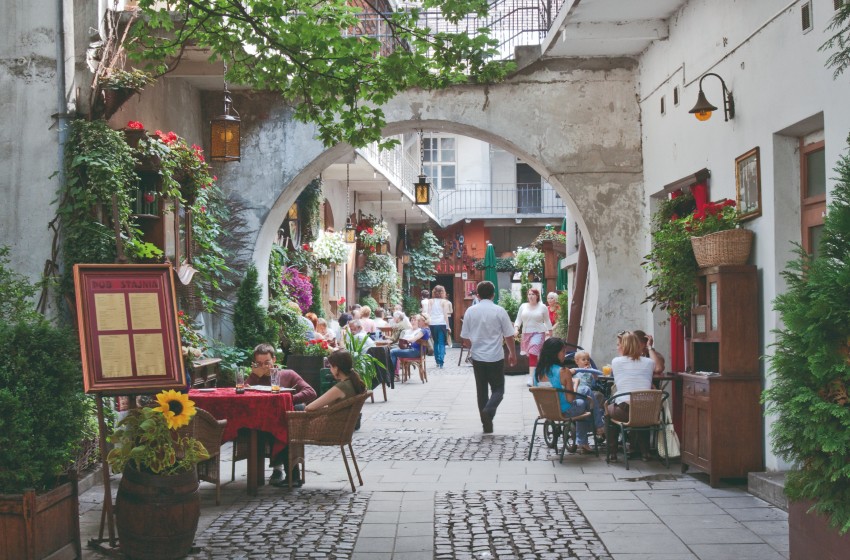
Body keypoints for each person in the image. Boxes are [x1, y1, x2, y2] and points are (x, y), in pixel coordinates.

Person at [248, 343, 317, 487]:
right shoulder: (255, 377)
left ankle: (285, 472)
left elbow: (310, 392)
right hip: (262, 420)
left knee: (282, 423)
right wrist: (255, 376)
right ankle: (275, 471)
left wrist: (287, 398)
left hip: (284, 420)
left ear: (274, 359)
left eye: (267, 362)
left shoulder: (288, 374)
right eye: (259, 363)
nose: (264, 366)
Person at [460, 281, 517, 434]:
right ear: (494, 294)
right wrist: (512, 353)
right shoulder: (499, 311)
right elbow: (509, 335)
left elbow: (465, 338)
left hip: (478, 357)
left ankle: (486, 424)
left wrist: (472, 347)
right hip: (496, 356)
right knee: (498, 389)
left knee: (481, 390)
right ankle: (489, 411)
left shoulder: (471, 311)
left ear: (477, 295)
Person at [532, 338, 594, 453]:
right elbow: (570, 399)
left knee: (584, 393)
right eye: (563, 352)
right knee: (584, 402)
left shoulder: (537, 371)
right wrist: (575, 383)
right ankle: (586, 438)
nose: (565, 355)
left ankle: (583, 438)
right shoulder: (563, 371)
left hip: (546, 410)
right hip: (564, 411)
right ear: (555, 353)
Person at [607, 331, 655, 462]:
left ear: (624, 346)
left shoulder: (616, 362)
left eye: (619, 345)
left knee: (608, 412)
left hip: (624, 411)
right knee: (640, 412)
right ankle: (645, 453)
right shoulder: (650, 363)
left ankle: (612, 453)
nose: (617, 347)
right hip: (648, 412)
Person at [514, 288, 553, 378]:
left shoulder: (542, 307)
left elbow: (547, 321)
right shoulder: (523, 306)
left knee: (533, 353)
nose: (530, 296)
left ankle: (532, 378)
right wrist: (516, 329)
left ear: (537, 296)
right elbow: (518, 319)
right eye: (529, 294)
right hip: (526, 333)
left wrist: (550, 332)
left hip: (539, 332)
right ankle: (540, 372)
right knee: (534, 355)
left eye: (533, 294)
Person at [568, 350, 606, 442]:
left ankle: (583, 441)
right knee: (587, 391)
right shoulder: (575, 372)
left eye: (588, 359)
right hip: (579, 392)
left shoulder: (590, 372)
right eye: (583, 359)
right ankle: (599, 425)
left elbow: (597, 379)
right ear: (577, 361)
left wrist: (592, 371)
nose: (586, 361)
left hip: (589, 394)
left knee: (599, 396)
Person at [423, 285, 453, 368]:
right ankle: (441, 361)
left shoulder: (430, 301)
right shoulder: (444, 302)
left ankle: (437, 361)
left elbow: (428, 313)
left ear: (434, 292)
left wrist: (427, 324)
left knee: (435, 342)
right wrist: (448, 326)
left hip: (432, 323)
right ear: (443, 292)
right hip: (442, 323)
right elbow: (445, 315)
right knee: (442, 343)